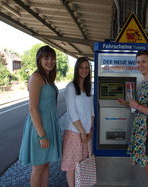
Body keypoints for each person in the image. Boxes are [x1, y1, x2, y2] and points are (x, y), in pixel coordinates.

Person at [118, 51, 148, 187]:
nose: (140, 65)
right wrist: (128, 104)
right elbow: (143, 107)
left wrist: (137, 105)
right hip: (141, 131)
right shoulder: (144, 82)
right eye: (138, 62)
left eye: (143, 61)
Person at [19, 45, 62, 187]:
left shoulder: (47, 78)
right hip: (40, 128)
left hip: (48, 125)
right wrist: (42, 135)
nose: (50, 61)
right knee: (38, 168)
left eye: (52, 58)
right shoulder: (36, 77)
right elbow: (32, 109)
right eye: (46, 58)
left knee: (45, 165)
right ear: (39, 60)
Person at [61, 57, 95, 187]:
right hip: (75, 132)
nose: (84, 70)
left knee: (83, 164)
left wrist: (90, 130)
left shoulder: (87, 88)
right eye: (81, 67)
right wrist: (82, 131)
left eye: (87, 68)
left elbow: (91, 111)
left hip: (86, 133)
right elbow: (72, 112)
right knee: (72, 166)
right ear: (76, 69)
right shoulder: (71, 87)